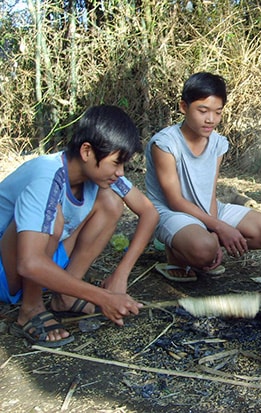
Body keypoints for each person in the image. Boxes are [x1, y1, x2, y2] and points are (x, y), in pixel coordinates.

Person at [0, 105, 159, 347]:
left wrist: (121, 274)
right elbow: (29, 262)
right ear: (87, 151)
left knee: (110, 201)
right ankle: (30, 309)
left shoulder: (101, 175)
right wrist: (103, 297)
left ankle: (64, 296)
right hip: (7, 271)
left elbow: (149, 212)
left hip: (42, 264)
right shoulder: (46, 176)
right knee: (54, 219)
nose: (120, 172)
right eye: (116, 163)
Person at [145, 72, 261, 281]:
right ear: (183, 107)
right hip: (170, 212)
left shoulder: (217, 143)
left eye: (218, 112)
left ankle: (202, 251)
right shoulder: (165, 144)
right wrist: (218, 228)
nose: (211, 120)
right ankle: (176, 253)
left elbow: (210, 192)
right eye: (203, 110)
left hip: (207, 208)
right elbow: (175, 200)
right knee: (204, 249)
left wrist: (215, 234)